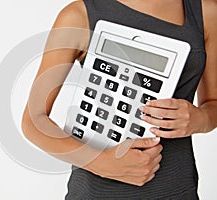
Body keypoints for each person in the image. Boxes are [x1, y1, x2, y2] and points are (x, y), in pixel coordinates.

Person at [22, 0, 217, 199]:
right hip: (95, 192)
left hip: (176, 189)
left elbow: (213, 103)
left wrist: (199, 119)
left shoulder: (206, 13)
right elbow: (33, 120)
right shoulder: (79, 14)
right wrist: (100, 163)